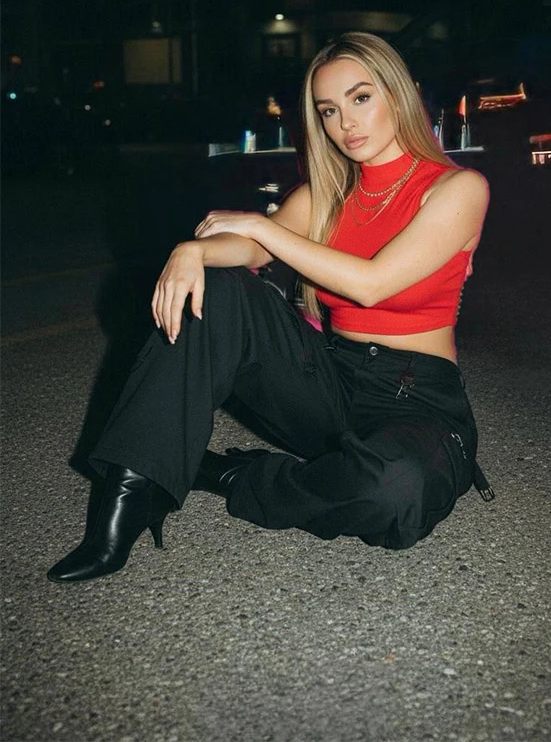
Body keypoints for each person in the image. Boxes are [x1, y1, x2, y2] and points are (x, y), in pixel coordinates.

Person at [48, 32, 493, 584]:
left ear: (398, 95)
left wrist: (261, 225)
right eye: (328, 110)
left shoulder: (456, 189)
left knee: (393, 491)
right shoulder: (325, 197)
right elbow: (249, 251)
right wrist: (192, 252)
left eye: (360, 98)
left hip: (418, 401)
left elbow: (373, 285)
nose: (346, 123)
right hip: (331, 381)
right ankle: (132, 491)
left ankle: (234, 476)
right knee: (220, 289)